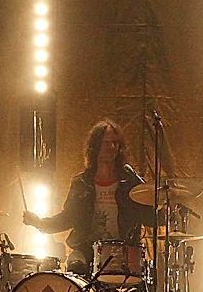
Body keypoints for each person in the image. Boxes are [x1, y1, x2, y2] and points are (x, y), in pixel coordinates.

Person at [22, 117, 153, 277]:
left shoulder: (129, 181)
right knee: (75, 268)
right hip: (86, 250)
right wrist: (40, 223)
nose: (112, 147)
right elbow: (67, 218)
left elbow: (148, 215)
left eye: (115, 142)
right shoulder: (82, 182)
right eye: (106, 142)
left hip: (124, 252)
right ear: (95, 146)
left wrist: (171, 205)